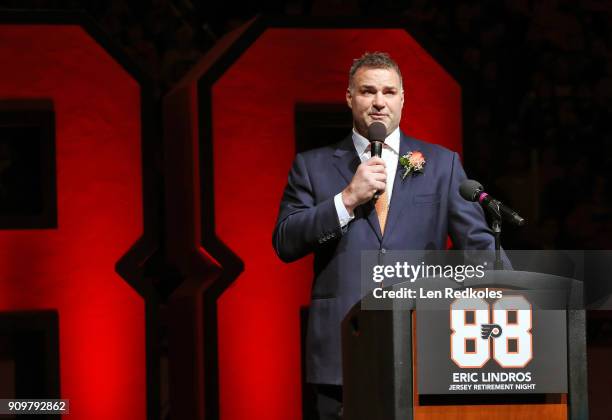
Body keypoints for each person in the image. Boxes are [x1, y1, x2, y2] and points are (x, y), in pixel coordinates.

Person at [272, 52, 497, 419]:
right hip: (341, 351)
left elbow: (480, 249)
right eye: (368, 91)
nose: (379, 102)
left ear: (403, 99)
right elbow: (285, 240)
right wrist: (346, 200)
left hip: (425, 346)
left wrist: (503, 295)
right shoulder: (312, 166)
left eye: (389, 92)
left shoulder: (442, 164)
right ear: (349, 97)